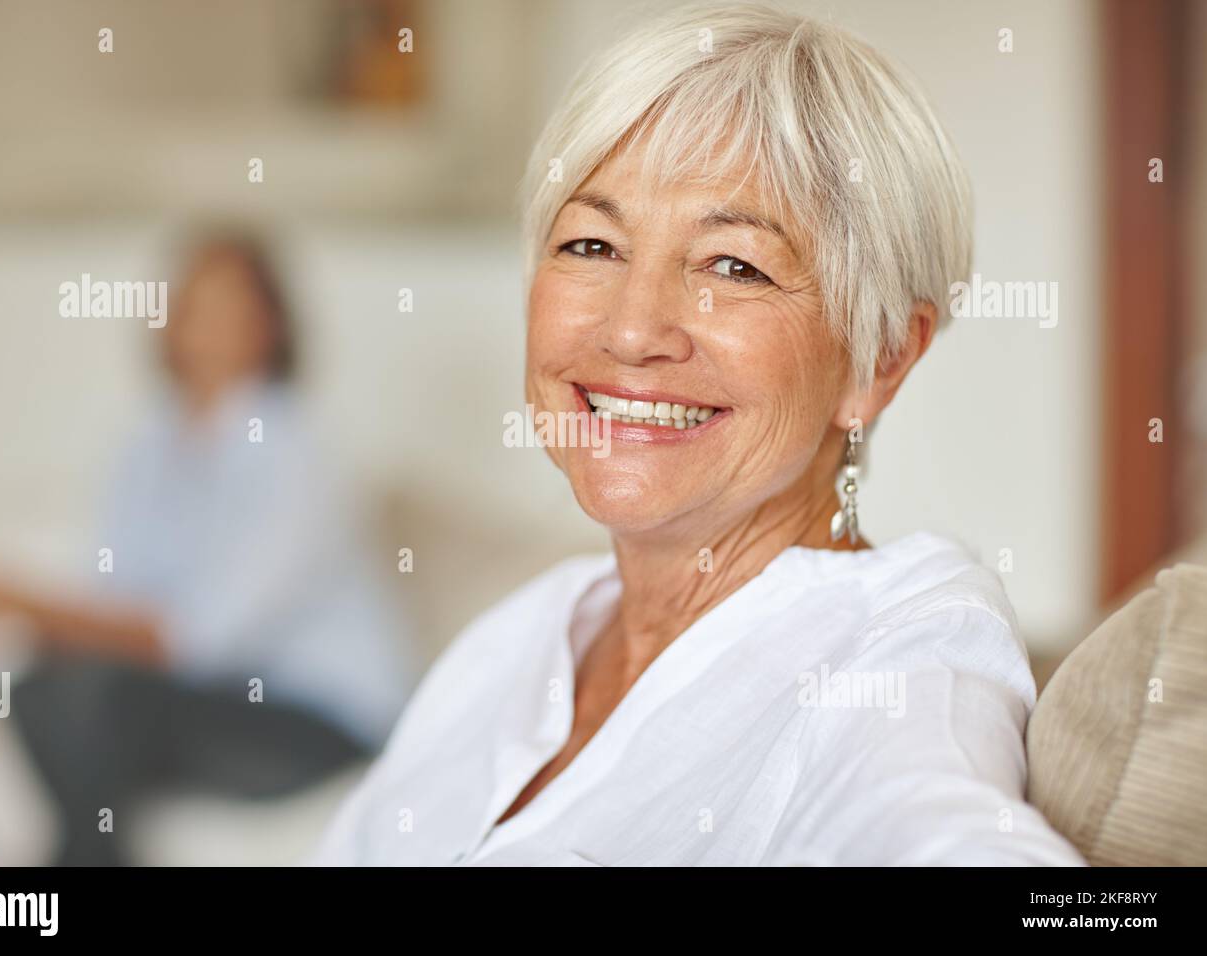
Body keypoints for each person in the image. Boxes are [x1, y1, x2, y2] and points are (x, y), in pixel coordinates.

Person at [311, 3, 1085, 865]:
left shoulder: (900, 652)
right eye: (593, 245)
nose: (634, 329)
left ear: (878, 362)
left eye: (733, 265)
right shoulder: (522, 634)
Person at [0, 233, 414, 865]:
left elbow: (198, 641)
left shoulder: (295, 451)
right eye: (198, 307)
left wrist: (19, 598)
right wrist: (47, 627)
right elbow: (116, 604)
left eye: (234, 307)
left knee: (98, 698)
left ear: (270, 326)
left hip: (310, 720)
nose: (214, 328)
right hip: (184, 705)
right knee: (37, 689)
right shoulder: (146, 446)